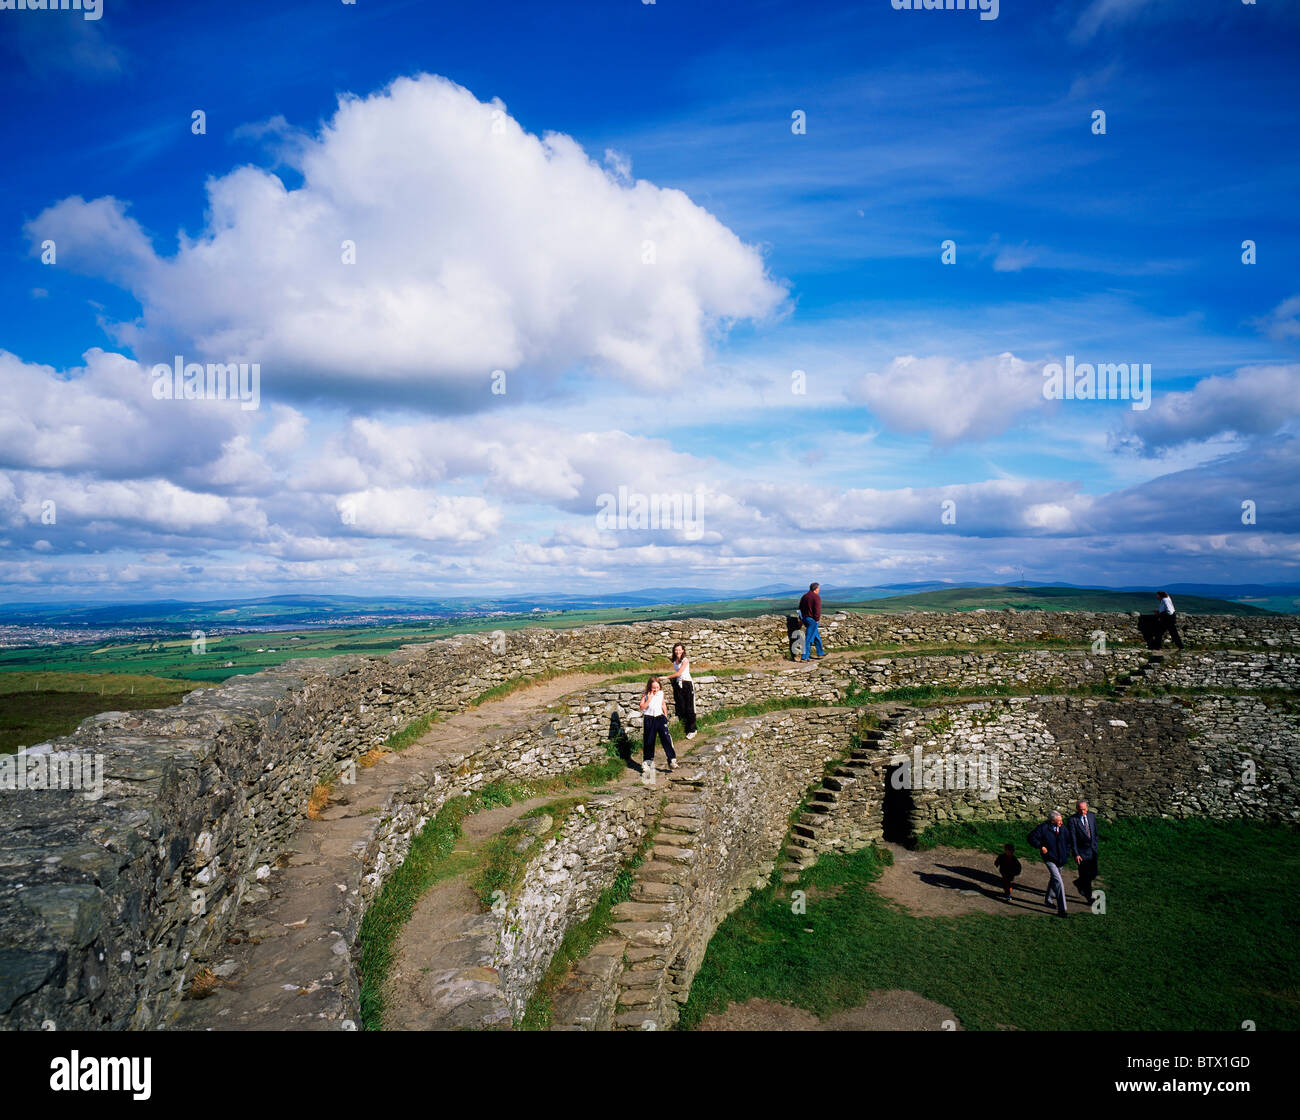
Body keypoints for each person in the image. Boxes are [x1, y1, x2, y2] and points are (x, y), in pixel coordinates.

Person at [1028, 811, 1074, 917]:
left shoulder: (1063, 828)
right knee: (1058, 882)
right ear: (1052, 821)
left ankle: (1048, 899)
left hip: (1061, 859)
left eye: (1061, 820)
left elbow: (1068, 842)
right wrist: (1041, 846)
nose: (1061, 823)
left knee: (1054, 879)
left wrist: (1066, 854)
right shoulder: (1043, 828)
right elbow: (1031, 837)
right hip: (1050, 859)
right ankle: (1062, 909)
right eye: (1059, 821)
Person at [638, 676, 677, 772]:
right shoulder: (645, 695)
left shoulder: (660, 693)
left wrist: (665, 715)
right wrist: (649, 699)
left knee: (666, 738)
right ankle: (647, 762)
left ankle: (672, 760)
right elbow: (642, 707)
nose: (655, 689)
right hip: (649, 719)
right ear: (649, 687)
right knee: (649, 740)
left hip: (660, 718)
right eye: (653, 688)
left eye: (657, 687)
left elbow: (663, 704)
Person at [1065, 800, 1099, 903]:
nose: (1082, 812)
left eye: (1084, 809)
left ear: (1087, 808)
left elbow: (1095, 831)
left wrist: (1095, 844)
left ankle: (1079, 883)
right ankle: (1089, 898)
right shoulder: (1073, 820)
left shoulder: (1091, 816)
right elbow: (1073, 838)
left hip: (1092, 850)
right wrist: (1076, 854)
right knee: (1086, 876)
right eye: (1080, 810)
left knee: (1094, 873)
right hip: (1081, 852)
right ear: (1076, 809)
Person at [666, 643, 697, 740]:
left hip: (687, 684)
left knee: (690, 707)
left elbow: (679, 673)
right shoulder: (675, 661)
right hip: (679, 684)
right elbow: (677, 675)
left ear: (683, 650)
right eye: (676, 650)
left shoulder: (685, 660)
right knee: (682, 707)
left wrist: (666, 677)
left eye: (679, 650)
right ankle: (687, 727)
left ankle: (693, 730)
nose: (677, 652)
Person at [798, 581, 824, 661]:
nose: (819, 590)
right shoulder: (816, 597)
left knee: (816, 636)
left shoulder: (804, 596)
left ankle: (820, 653)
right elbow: (817, 610)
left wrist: (801, 619)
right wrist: (816, 620)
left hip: (805, 618)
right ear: (816, 589)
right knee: (808, 639)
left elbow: (800, 608)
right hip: (812, 620)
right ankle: (805, 657)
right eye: (818, 588)